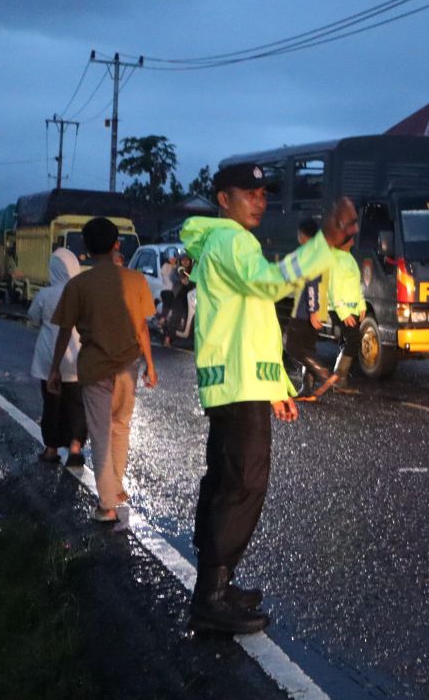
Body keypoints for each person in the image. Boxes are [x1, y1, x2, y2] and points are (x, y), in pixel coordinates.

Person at [180, 163, 356, 634]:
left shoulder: (220, 244)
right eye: (249, 193)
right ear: (223, 199)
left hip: (236, 383)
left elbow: (254, 325)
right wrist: (325, 246)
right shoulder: (232, 242)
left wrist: (276, 386)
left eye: (263, 193)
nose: (260, 200)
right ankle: (211, 597)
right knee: (243, 486)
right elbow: (270, 285)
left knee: (226, 480)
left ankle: (216, 582)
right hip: (238, 387)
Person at [49, 218, 157, 524]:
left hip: (95, 366)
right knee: (120, 426)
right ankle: (116, 488)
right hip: (128, 365)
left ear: (85, 249)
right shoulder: (136, 280)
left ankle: (107, 504)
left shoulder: (78, 285)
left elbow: (64, 331)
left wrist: (55, 368)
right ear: (116, 245)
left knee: (100, 434)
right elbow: (142, 328)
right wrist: (150, 364)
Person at [28, 249, 87, 466]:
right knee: (77, 405)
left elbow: (33, 318)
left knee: (51, 404)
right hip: (78, 358)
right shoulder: (81, 293)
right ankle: (75, 446)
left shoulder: (45, 294)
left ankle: (51, 449)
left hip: (48, 358)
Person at [285, 218, 335, 398]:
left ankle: (323, 373)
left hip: (306, 311)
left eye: (300, 233)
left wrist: (312, 310)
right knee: (307, 348)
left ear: (305, 235)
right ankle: (307, 389)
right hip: (318, 310)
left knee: (291, 345)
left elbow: (312, 283)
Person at [321, 222, 365, 396]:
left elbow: (356, 286)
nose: (354, 239)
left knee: (347, 340)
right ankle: (339, 379)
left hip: (351, 308)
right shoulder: (337, 260)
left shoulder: (348, 257)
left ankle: (339, 380)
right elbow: (334, 289)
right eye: (351, 237)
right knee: (354, 339)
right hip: (341, 309)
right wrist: (344, 313)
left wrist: (361, 305)